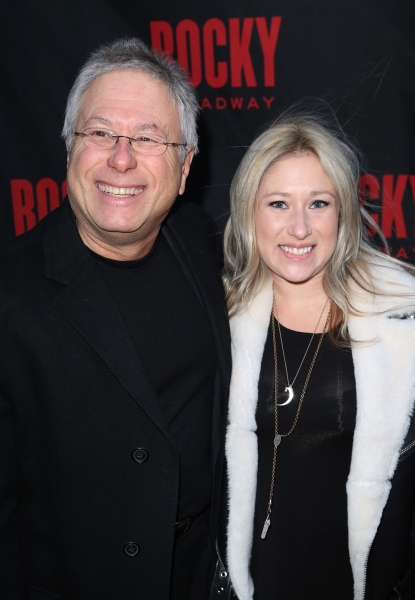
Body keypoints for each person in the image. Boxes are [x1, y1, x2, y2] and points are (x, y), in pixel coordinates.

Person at [0, 38, 231, 600]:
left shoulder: (201, 241)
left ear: (184, 168)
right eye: (100, 133)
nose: (121, 158)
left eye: (149, 138)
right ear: (69, 149)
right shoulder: (9, 298)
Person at [219, 115, 415, 600]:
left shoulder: (403, 324)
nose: (299, 227)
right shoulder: (215, 315)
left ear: (342, 212)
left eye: (319, 204)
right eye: (279, 203)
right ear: (249, 212)